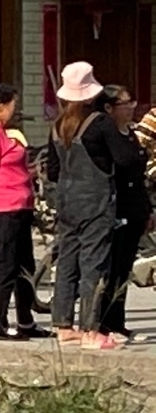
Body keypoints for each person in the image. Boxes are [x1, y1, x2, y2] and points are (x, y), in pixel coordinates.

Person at [41, 61, 122, 349]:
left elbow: (52, 170)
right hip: (95, 202)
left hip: (66, 202)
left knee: (67, 263)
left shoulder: (58, 125)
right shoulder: (99, 123)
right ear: (90, 93)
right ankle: (90, 329)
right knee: (94, 264)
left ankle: (63, 325)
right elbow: (123, 158)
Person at [0, 83, 43, 341]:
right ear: (0, 105)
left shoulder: (5, 133)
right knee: (6, 267)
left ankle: (26, 319)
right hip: (4, 208)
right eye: (12, 104)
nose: (15, 109)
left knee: (25, 266)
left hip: (21, 204)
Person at [96, 85, 152, 341]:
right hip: (115, 209)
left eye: (132, 102)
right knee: (112, 266)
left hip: (136, 206)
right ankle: (103, 322)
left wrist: (147, 209)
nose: (131, 108)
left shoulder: (131, 134)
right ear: (109, 108)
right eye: (125, 103)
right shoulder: (106, 136)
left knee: (124, 269)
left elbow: (139, 174)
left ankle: (118, 321)